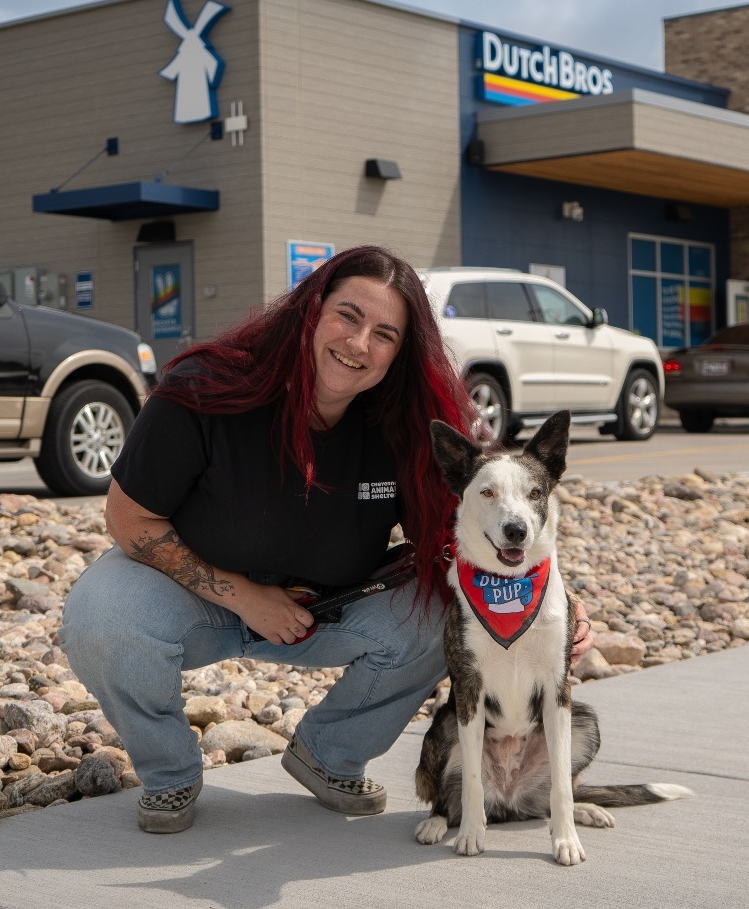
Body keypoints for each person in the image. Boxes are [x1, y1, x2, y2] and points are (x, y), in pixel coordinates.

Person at [60, 244, 594, 834]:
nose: (360, 343)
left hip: (330, 610)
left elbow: (463, 541)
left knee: (441, 616)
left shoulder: (403, 425)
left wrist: (554, 606)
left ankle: (329, 756)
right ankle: (170, 776)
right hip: (196, 600)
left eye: (385, 334)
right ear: (309, 311)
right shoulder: (204, 389)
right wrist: (243, 597)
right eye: (347, 315)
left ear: (400, 354)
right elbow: (129, 520)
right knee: (99, 614)